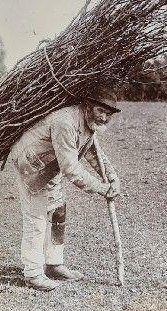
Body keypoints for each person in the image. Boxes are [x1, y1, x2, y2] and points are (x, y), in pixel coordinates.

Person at [7, 91, 122, 291]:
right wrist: (102, 188)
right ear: (88, 105)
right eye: (100, 110)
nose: (103, 117)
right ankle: (33, 274)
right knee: (37, 217)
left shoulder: (88, 123)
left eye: (108, 114)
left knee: (58, 211)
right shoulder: (65, 122)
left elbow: (94, 152)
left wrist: (113, 177)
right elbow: (71, 170)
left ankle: (54, 264)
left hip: (52, 165)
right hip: (32, 165)